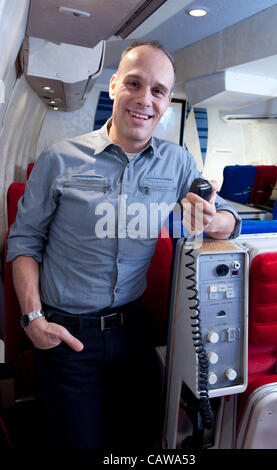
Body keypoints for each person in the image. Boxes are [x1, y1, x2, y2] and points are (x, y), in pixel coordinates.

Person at [7, 40, 241, 450]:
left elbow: (227, 219)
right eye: (134, 83)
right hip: (67, 334)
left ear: (167, 102)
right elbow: (24, 240)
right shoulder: (59, 157)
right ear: (114, 85)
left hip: (133, 332)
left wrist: (214, 219)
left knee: (139, 442)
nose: (144, 100)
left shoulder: (180, 162)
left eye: (158, 91)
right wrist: (33, 320)